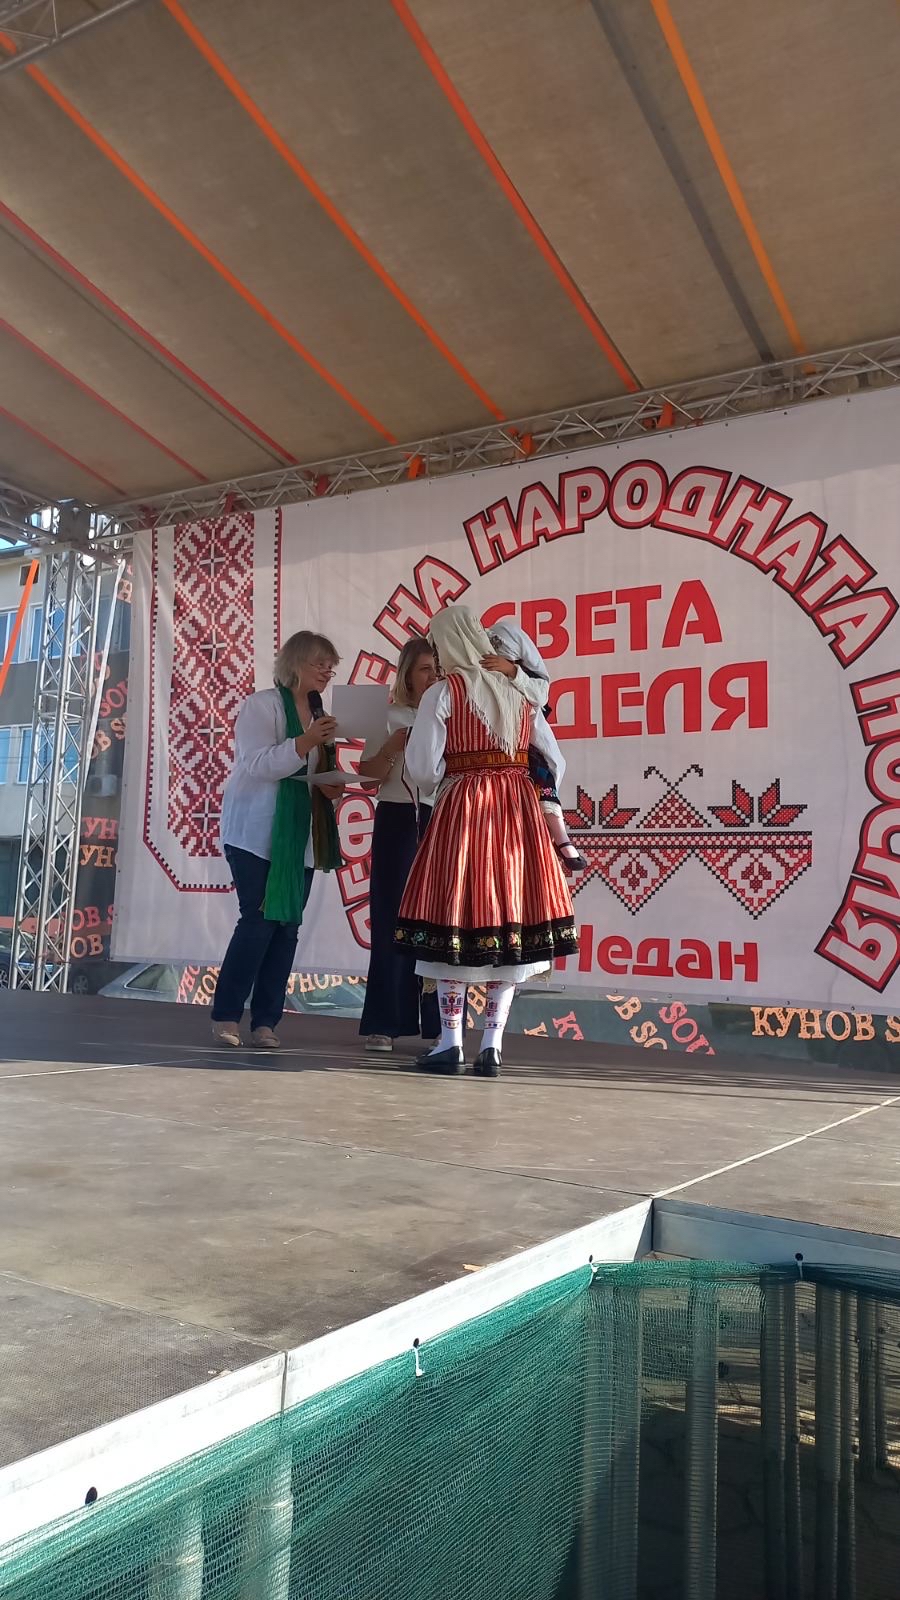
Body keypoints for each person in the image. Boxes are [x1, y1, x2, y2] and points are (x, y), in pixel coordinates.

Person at [396, 606, 578, 1077]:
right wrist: (517, 781)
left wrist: (453, 778)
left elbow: (422, 768)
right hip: (517, 812)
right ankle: (492, 1045)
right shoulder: (520, 692)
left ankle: (450, 1041)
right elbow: (553, 760)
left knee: (454, 912)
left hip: (465, 809)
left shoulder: (443, 692)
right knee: (509, 912)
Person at [211, 630, 343, 1050]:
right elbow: (257, 765)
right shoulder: (262, 705)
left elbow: (317, 775)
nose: (327, 672)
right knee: (258, 922)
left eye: (330, 666)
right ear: (294, 664)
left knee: (287, 929)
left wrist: (333, 785)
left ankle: (266, 1022)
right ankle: (227, 1015)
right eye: (320, 663)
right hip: (255, 833)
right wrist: (306, 741)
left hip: (300, 836)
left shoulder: (321, 716)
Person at [357, 637, 441, 1054]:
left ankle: (441, 1025)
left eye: (437, 670)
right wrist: (392, 748)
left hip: (439, 819)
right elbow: (367, 778)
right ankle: (385, 1022)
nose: (433, 677)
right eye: (425, 669)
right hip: (397, 818)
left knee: (437, 921)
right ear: (407, 674)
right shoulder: (388, 716)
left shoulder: (448, 714)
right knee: (392, 918)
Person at [482, 620, 587, 877]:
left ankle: (560, 838)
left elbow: (540, 696)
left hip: (527, 747)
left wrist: (513, 673)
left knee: (543, 778)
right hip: (491, 761)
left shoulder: (528, 681)